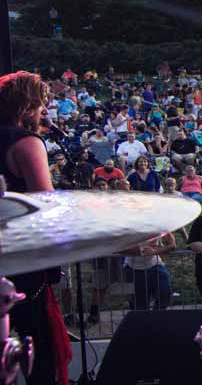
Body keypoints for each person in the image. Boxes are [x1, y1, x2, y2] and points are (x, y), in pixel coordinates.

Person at [0, 71, 72, 384]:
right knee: (40, 355)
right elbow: (44, 203)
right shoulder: (26, 143)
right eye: (41, 104)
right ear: (26, 104)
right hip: (22, 260)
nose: (45, 111)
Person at [120, 232, 176, 310]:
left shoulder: (158, 224)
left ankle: (156, 317)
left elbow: (172, 245)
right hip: (133, 268)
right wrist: (141, 250)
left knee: (165, 293)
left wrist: (154, 251)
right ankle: (145, 320)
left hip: (155, 265)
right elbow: (119, 248)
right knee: (139, 305)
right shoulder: (128, 226)